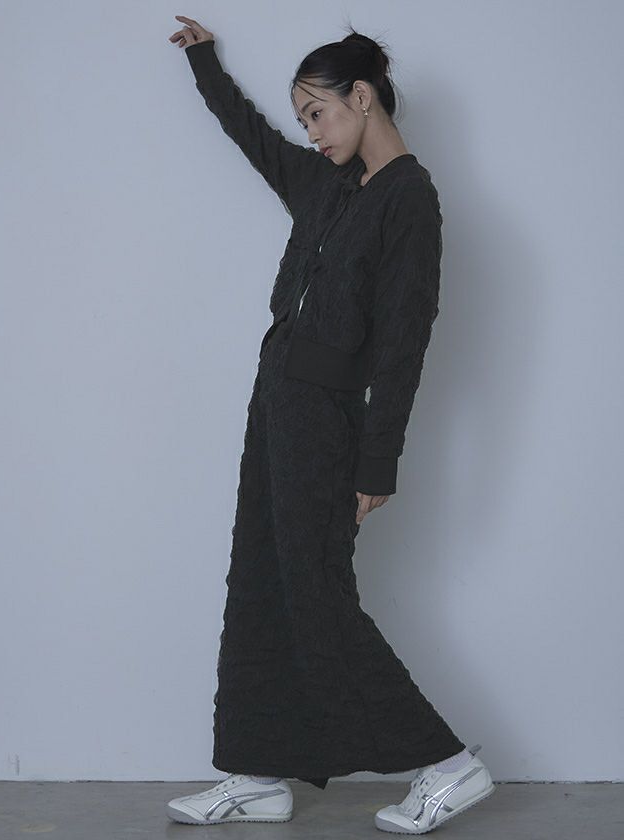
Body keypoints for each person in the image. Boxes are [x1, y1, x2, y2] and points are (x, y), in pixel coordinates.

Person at [165, 15, 495, 832]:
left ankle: (448, 766)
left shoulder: (409, 199)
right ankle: (259, 773)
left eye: (318, 112)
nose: (310, 131)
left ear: (363, 97)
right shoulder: (324, 184)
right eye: (303, 117)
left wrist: (377, 464)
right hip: (274, 406)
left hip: (327, 423)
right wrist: (204, 64)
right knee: (259, 585)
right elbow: (250, 136)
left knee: (318, 598)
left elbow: (404, 343)